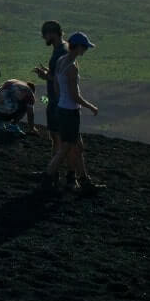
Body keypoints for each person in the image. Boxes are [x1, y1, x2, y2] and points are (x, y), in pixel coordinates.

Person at [43, 32, 103, 193]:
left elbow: (56, 83)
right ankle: (49, 174)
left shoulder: (62, 61)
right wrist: (91, 107)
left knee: (78, 146)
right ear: (78, 47)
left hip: (63, 109)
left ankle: (83, 179)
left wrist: (59, 100)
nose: (86, 50)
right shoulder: (72, 67)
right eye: (85, 47)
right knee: (66, 147)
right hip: (70, 112)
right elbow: (74, 96)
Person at [33, 21, 74, 187]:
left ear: (52, 33)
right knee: (57, 138)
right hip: (57, 100)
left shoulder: (60, 52)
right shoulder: (63, 49)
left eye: (45, 35)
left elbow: (58, 78)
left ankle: (63, 174)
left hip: (58, 102)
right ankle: (54, 171)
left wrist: (45, 76)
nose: (44, 38)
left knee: (61, 139)